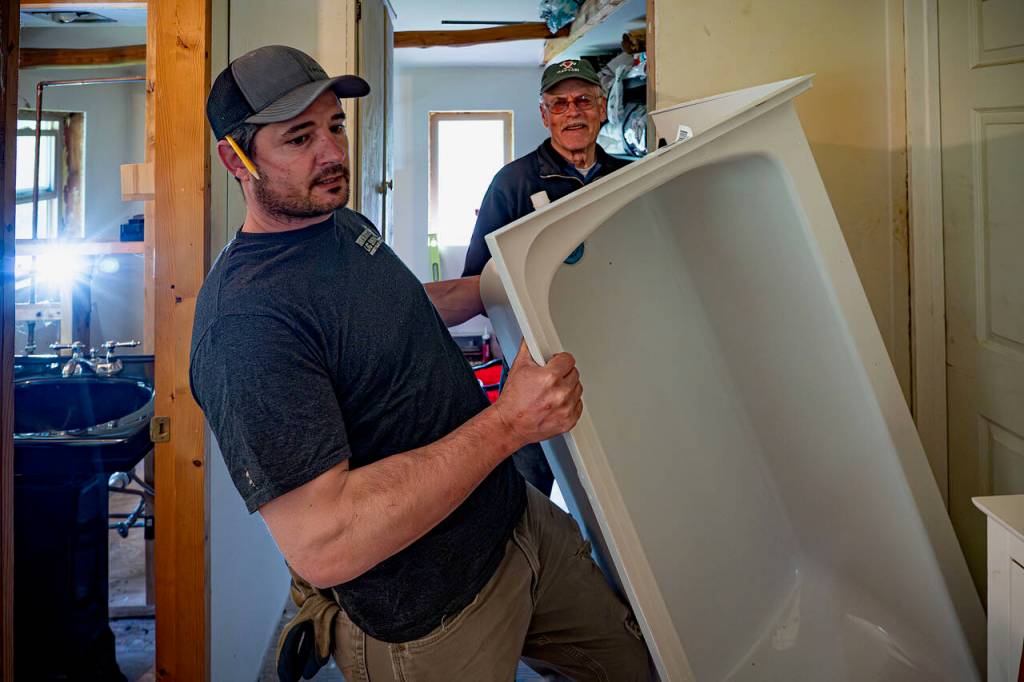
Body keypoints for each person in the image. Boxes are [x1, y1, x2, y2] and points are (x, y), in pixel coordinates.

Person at [190, 45, 650, 681]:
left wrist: (496, 286)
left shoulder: (337, 223)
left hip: (515, 526)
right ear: (235, 160)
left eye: (335, 125)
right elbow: (326, 540)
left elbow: (394, 311)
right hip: (431, 614)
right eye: (300, 138)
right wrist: (510, 425)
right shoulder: (247, 323)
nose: (332, 153)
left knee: (636, 666)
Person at [462, 58, 631, 496]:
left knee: (616, 488)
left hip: (614, 361)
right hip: (536, 368)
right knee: (528, 491)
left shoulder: (626, 178)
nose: (572, 113)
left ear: (602, 108)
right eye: (559, 104)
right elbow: (478, 281)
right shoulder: (513, 184)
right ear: (544, 114)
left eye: (583, 101)